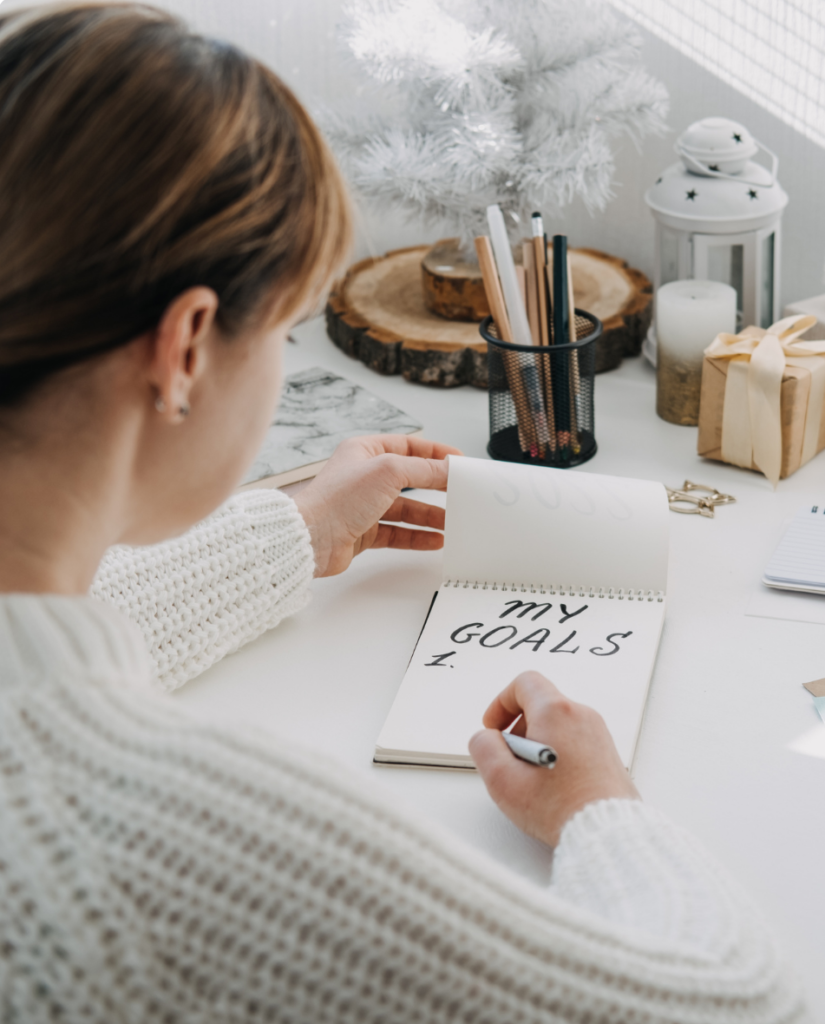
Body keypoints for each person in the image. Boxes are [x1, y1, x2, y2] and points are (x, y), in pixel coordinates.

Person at [0, 4, 805, 1022]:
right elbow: (734, 1003)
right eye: (286, 330)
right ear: (187, 348)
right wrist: (599, 809)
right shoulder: (148, 843)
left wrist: (292, 530)